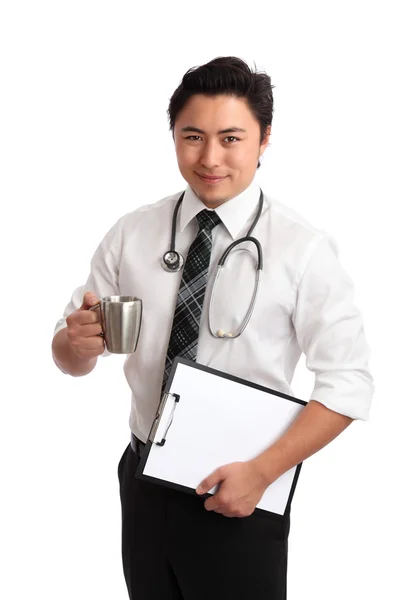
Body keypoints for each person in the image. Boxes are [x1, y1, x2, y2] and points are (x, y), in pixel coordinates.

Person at [52, 56, 374, 599]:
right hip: (143, 479)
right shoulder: (134, 232)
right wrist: (74, 343)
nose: (209, 159)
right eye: (192, 136)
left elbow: (349, 384)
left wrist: (263, 472)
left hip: (241, 487)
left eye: (231, 138)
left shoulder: (303, 248)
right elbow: (71, 356)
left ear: (264, 139)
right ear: (173, 135)